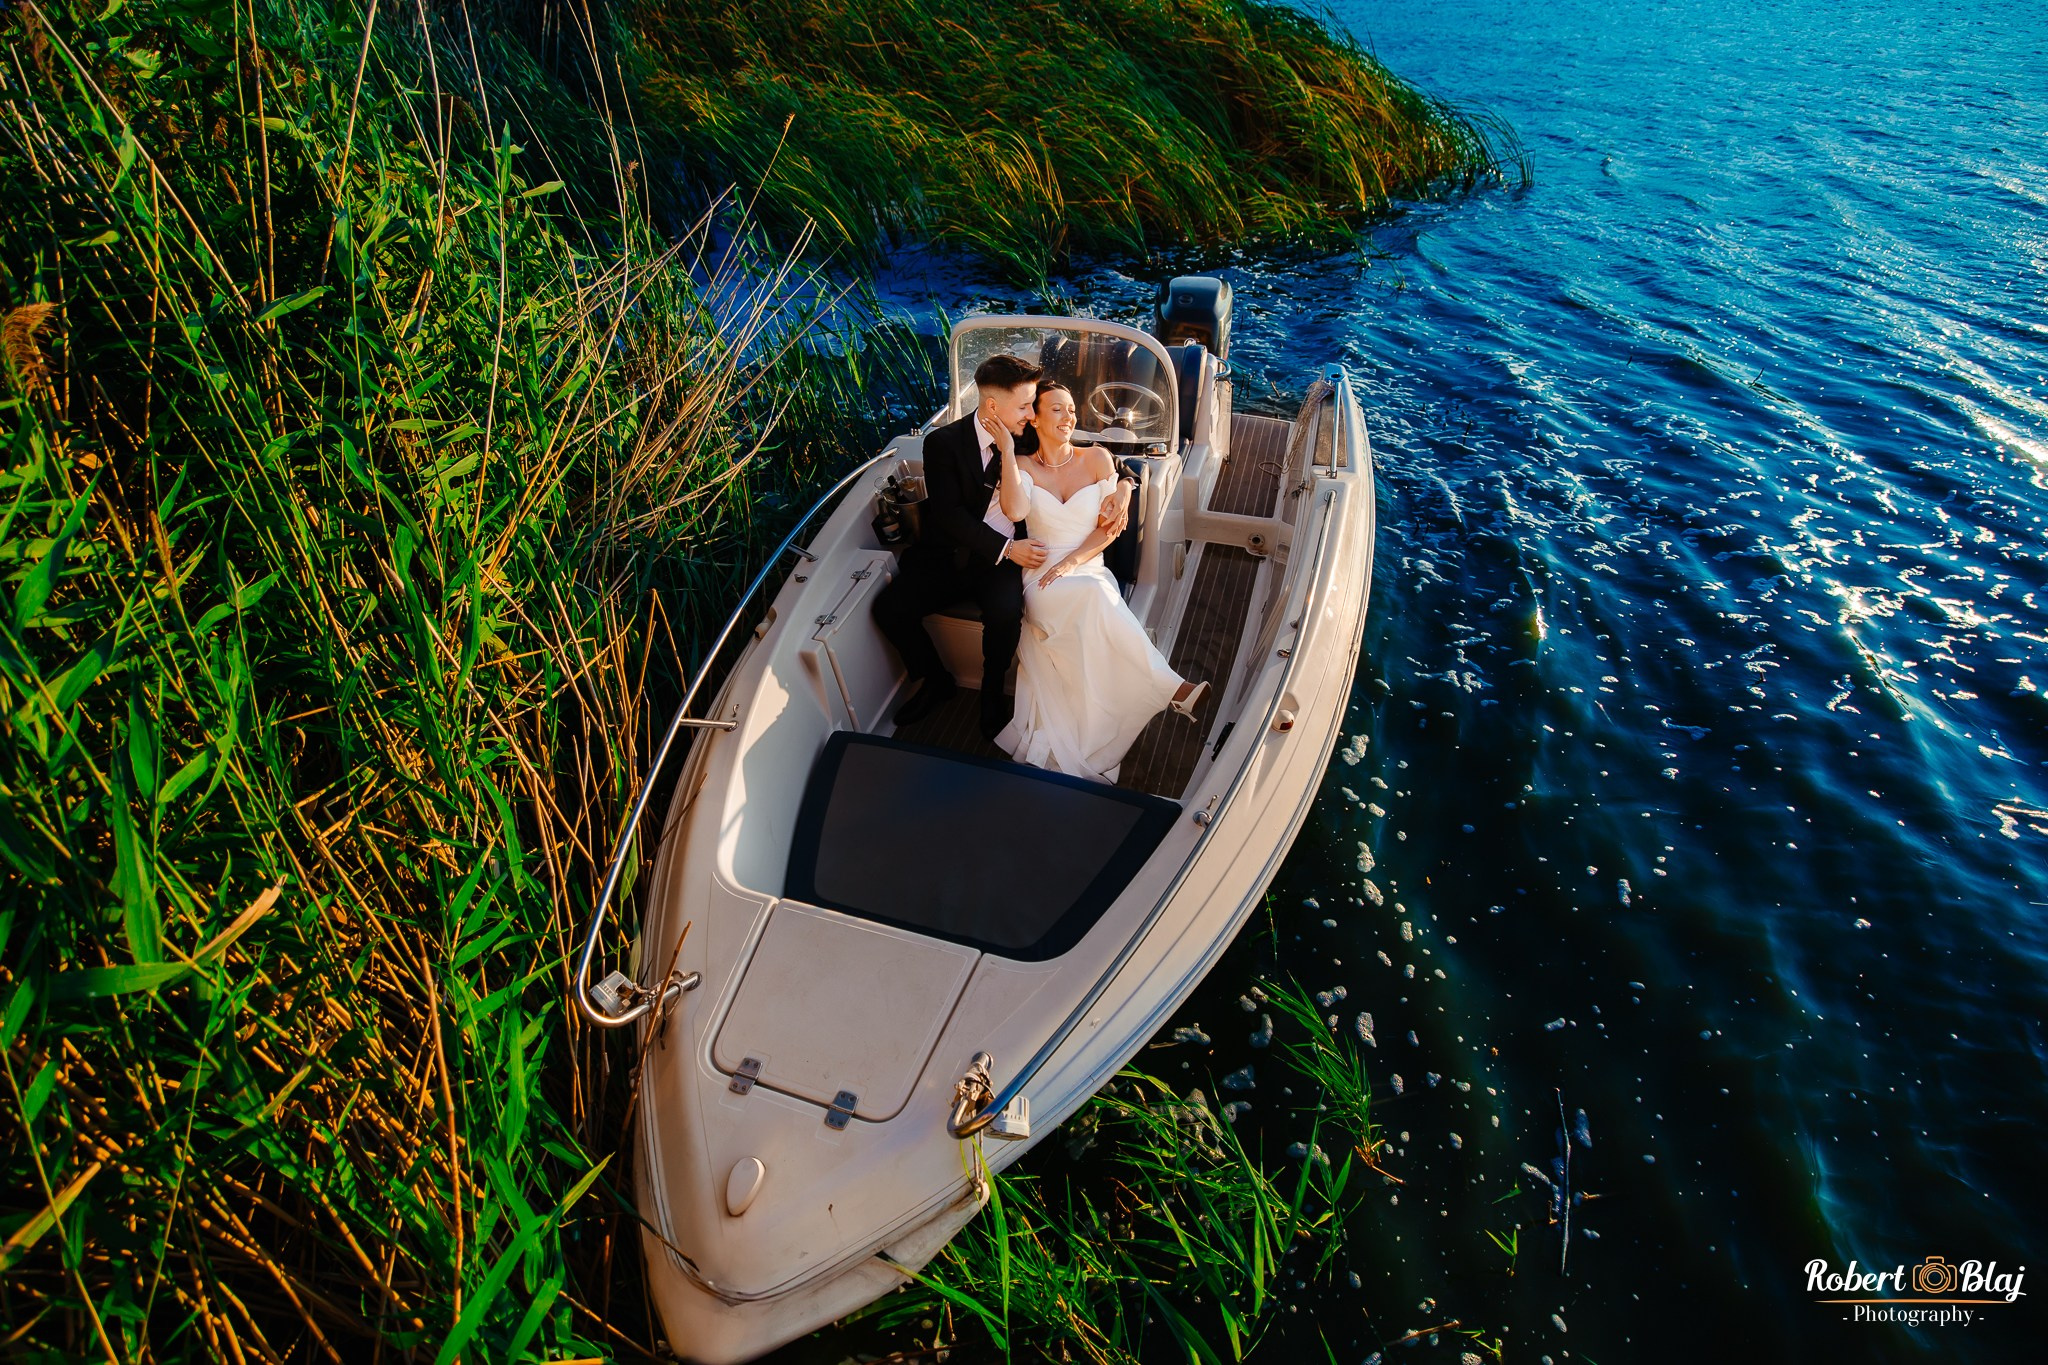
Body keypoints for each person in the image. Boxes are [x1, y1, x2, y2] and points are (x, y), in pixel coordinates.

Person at [874, 354, 1135, 739]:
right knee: (889, 610)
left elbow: (1087, 453)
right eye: (1026, 405)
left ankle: (992, 690)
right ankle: (935, 679)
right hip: (952, 555)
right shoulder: (943, 443)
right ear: (993, 406)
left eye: (1033, 406)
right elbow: (948, 515)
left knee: (1004, 614)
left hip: (1003, 563)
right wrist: (1007, 549)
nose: (1032, 414)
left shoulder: (1029, 433)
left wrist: (1127, 484)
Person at [988, 380, 1208, 782]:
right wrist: (1005, 449)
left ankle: (1168, 689)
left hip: (1087, 562)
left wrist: (1072, 561)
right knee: (1094, 597)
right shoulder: (1021, 467)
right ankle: (1172, 688)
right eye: (1057, 409)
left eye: (1072, 409)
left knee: (1093, 591)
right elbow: (1015, 510)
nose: (1069, 416)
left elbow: (1108, 531)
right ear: (1034, 418)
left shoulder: (1099, 459)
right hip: (1041, 574)